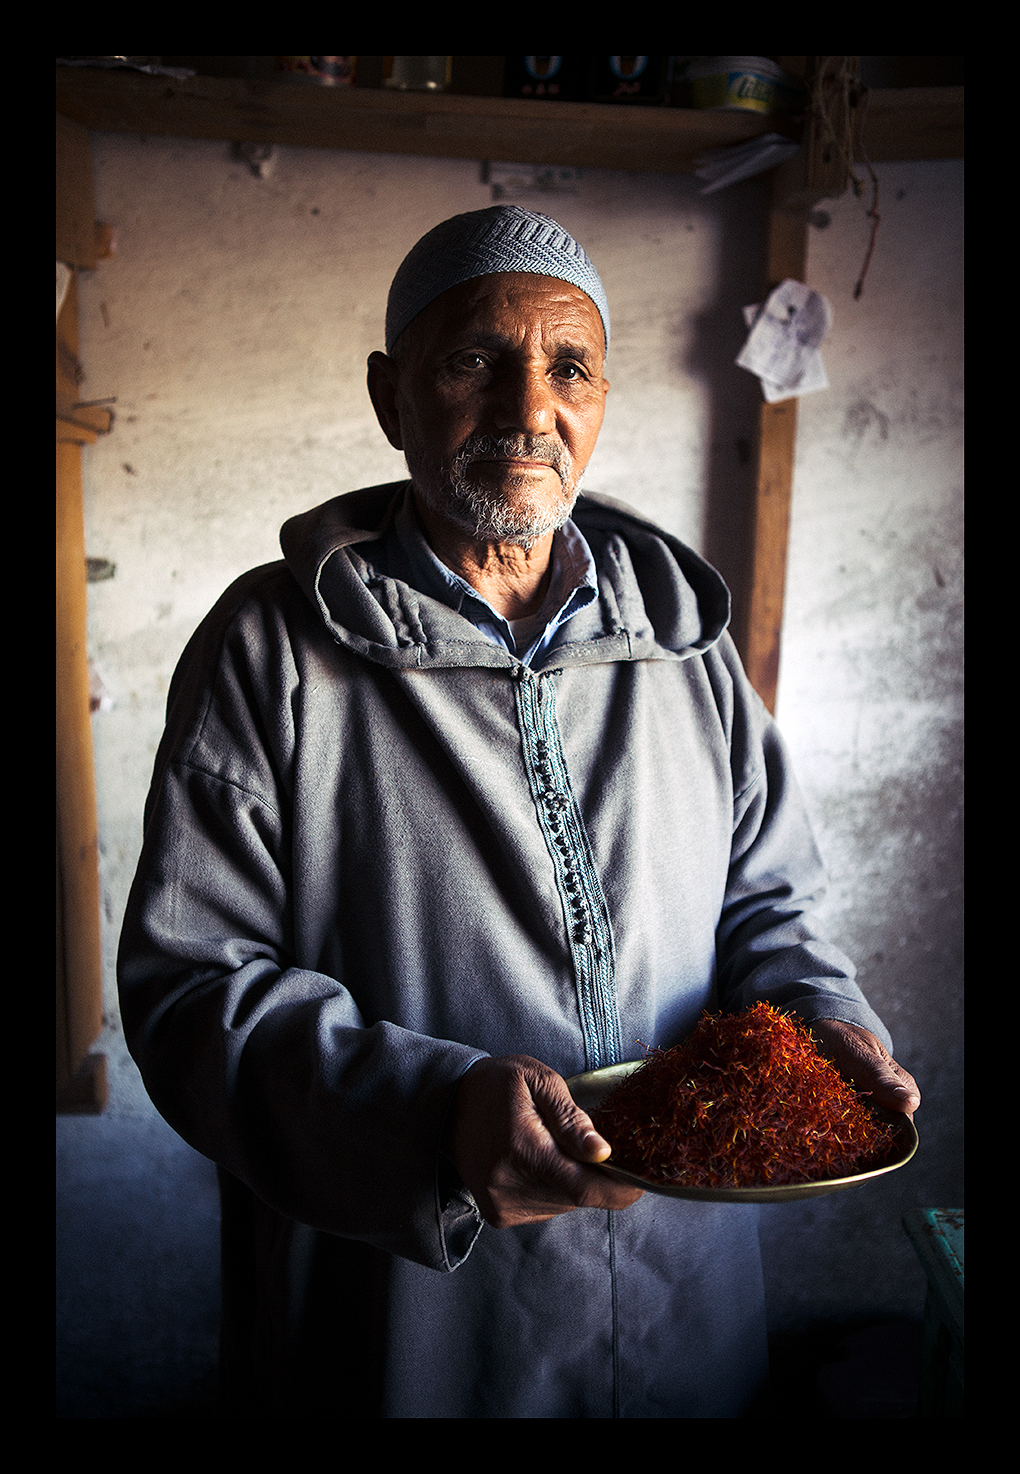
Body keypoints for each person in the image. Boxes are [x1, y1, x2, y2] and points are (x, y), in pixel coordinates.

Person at [118, 206, 919, 1419]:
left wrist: (821, 1022)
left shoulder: (682, 644)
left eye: (568, 367)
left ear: (602, 397)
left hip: (680, 1299)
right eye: (472, 360)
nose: (526, 410)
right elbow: (189, 990)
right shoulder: (269, 650)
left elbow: (771, 900)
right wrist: (432, 1117)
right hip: (409, 1320)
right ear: (392, 398)